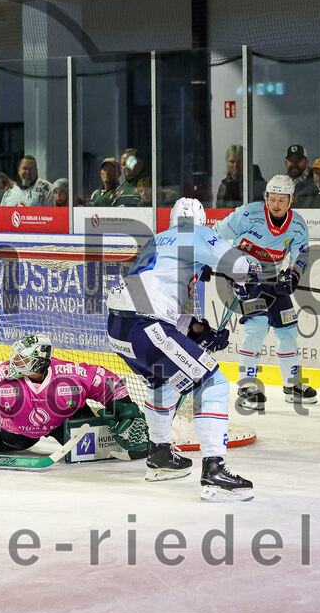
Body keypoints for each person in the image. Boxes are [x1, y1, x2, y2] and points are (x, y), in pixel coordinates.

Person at [105, 197, 255, 502]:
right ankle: (215, 469)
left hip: (119, 328)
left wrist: (200, 331)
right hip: (147, 326)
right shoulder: (196, 233)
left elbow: (154, 301)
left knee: (164, 384)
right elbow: (239, 263)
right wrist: (246, 278)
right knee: (213, 383)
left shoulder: (157, 241)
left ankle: (159, 457)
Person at [0, 335, 149, 470]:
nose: (14, 363)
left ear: (39, 362)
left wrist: (126, 407)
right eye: (15, 358)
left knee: (95, 451)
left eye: (21, 360)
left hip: (66, 426)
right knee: (10, 443)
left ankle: (137, 441)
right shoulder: (0, 376)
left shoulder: (69, 374)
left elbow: (105, 380)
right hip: (17, 433)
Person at [214, 174, 314, 410]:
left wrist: (293, 275)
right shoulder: (248, 215)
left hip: (271, 279)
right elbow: (215, 235)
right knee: (257, 326)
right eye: (272, 199)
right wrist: (233, 268)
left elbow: (302, 255)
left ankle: (292, 385)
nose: (276, 205)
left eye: (282, 199)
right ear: (265, 198)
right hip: (243, 279)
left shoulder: (297, 225)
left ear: (292, 200)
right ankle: (247, 385)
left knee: (288, 330)